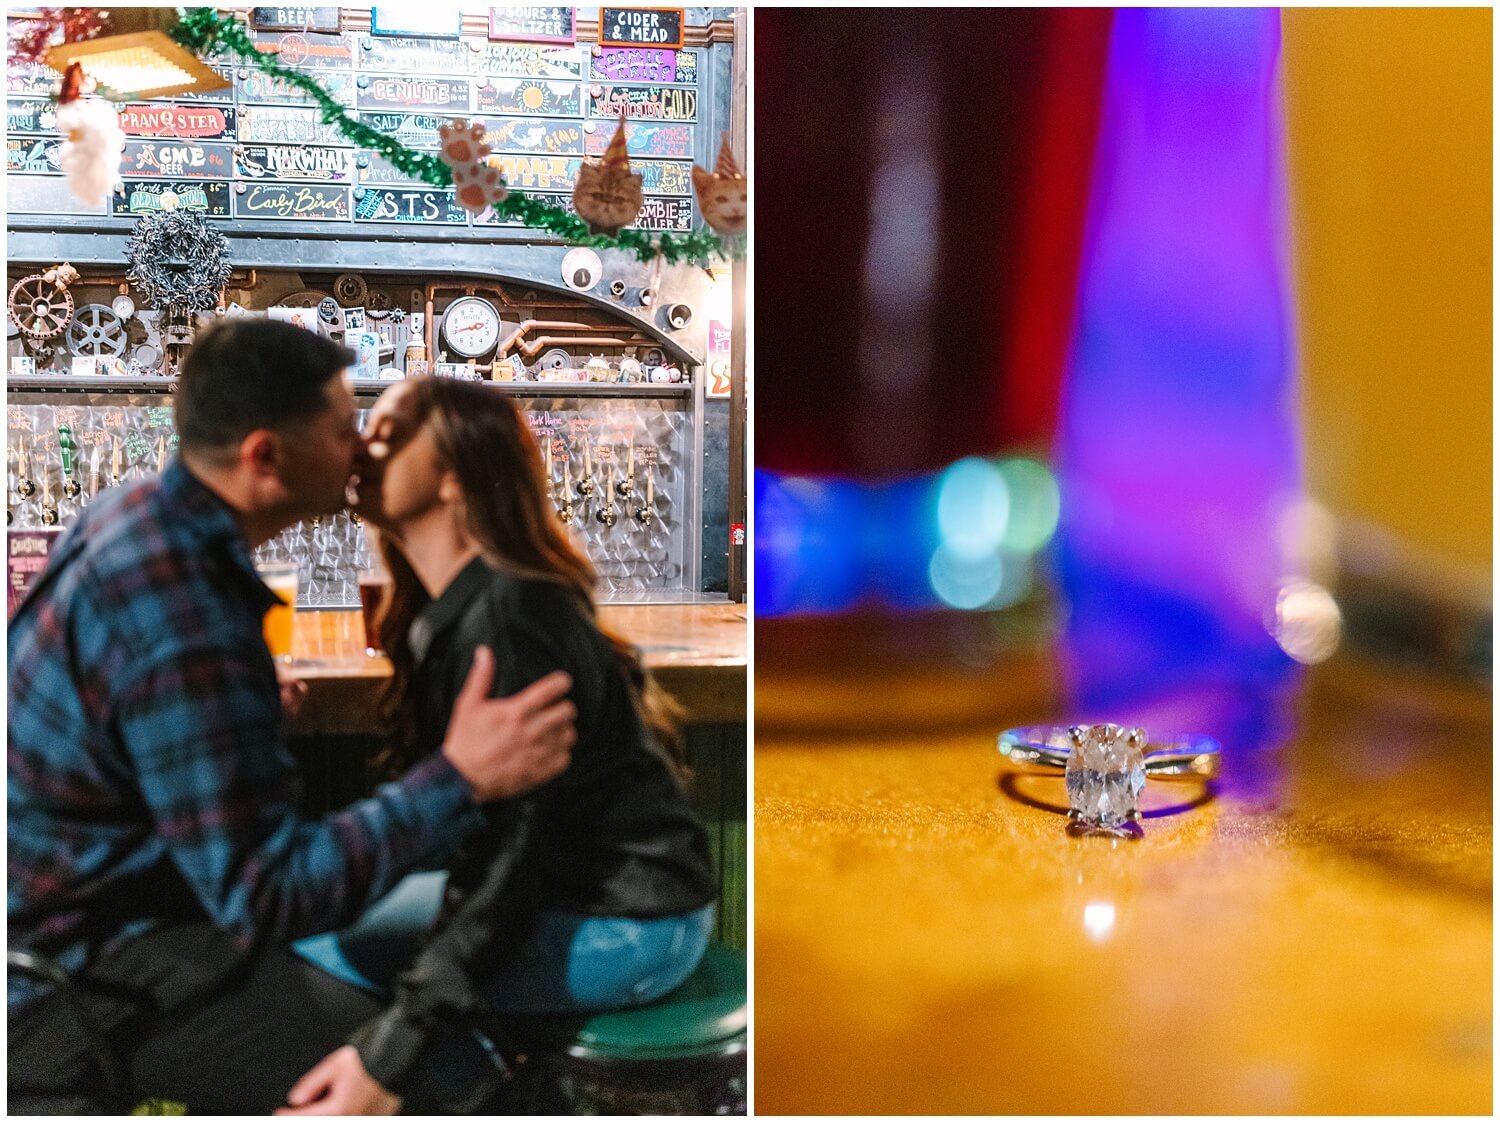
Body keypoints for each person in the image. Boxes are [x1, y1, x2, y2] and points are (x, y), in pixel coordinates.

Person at [8, 320, 577, 1113]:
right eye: (345, 428)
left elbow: (107, 702)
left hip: (89, 914)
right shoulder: (186, 613)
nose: (362, 446)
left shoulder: (140, 516)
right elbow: (267, 895)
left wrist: (209, 715)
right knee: (430, 1069)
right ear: (265, 457)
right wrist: (459, 775)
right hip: (84, 973)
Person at [277, 376, 717, 1114]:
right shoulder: (454, 609)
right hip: (555, 888)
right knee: (306, 920)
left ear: (451, 475)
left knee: (309, 966)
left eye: (386, 432)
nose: (360, 446)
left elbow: (508, 866)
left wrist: (388, 1060)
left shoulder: (508, 620)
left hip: (632, 920)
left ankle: (472, 1094)